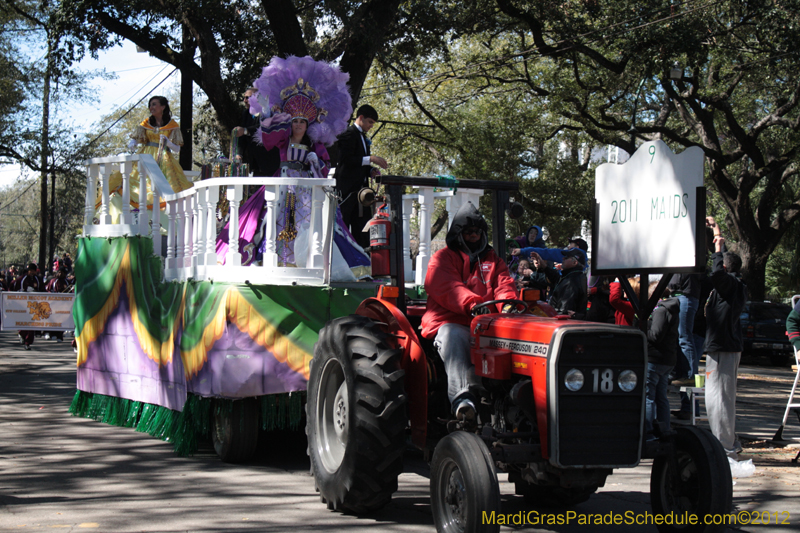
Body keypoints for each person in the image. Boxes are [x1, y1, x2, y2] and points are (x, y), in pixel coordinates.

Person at [216, 55, 370, 281]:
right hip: (284, 182)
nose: (298, 125)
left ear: (308, 125)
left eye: (302, 122)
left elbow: (325, 166)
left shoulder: (315, 145)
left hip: (306, 188)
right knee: (271, 220)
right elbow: (267, 137)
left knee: (313, 221)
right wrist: (267, 113)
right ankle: (277, 259)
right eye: (295, 121)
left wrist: (314, 161)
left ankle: (313, 261)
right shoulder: (282, 140)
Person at [421, 201, 517, 421]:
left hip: (487, 325)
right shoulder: (442, 258)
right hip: (452, 322)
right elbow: (447, 287)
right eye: (468, 231)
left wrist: (508, 303)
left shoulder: (493, 260)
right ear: (458, 233)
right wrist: (473, 305)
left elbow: (504, 284)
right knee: (453, 335)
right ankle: (462, 398)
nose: (474, 235)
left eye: (477, 231)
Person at [99, 96, 194, 221]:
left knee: (170, 185)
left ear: (163, 107)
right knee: (133, 182)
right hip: (145, 156)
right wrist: (133, 143)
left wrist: (168, 143)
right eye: (150, 105)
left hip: (164, 158)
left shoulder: (172, 125)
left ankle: (165, 219)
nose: (151, 107)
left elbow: (177, 149)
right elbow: (135, 139)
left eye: (154, 104)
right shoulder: (146, 123)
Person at [703, 216, 747, 459]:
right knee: (718, 397)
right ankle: (725, 443)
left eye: (719, 262)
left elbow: (717, 274)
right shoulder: (731, 284)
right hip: (723, 346)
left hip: (724, 347)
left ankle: (724, 447)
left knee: (719, 398)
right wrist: (716, 234)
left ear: (726, 268)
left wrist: (718, 247)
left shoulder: (729, 283)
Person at [334, 104, 389, 248]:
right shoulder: (348, 134)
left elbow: (360, 162)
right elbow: (346, 161)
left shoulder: (363, 138)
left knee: (363, 228)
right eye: (370, 122)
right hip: (347, 191)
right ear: (361, 118)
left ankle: (364, 261)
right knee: (344, 226)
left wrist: (370, 170)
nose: (371, 126)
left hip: (362, 194)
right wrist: (370, 159)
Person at [645, 283, 680, 439]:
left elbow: (656, 335)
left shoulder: (660, 310)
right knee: (661, 397)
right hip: (667, 359)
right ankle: (664, 430)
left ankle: (649, 432)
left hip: (655, 359)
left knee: (649, 397)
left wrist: (642, 327)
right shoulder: (672, 309)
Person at [233, 88, 280, 177]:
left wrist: (246, 131)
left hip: (270, 162)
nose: (245, 100)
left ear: (256, 98)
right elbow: (242, 136)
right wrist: (239, 154)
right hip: (254, 164)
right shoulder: (246, 114)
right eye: (244, 98)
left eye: (248, 97)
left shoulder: (267, 111)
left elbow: (263, 128)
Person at [548, 248, 588, 318]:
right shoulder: (572, 276)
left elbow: (564, 311)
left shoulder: (572, 280)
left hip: (564, 323)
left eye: (566, 257)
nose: (563, 258)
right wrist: (544, 267)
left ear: (574, 262)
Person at [18, 263, 41, 350]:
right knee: (24, 322)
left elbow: (42, 289)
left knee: (32, 325)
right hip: (23, 305)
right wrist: (24, 291)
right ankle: (22, 334)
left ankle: (28, 343)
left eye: (33, 271)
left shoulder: (37, 279)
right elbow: (14, 287)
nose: (32, 272)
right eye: (30, 270)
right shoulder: (22, 279)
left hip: (34, 305)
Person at [44, 267, 69, 342]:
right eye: (59, 272)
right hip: (53, 303)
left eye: (62, 272)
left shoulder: (67, 282)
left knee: (61, 319)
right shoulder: (53, 281)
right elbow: (47, 290)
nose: (60, 274)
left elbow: (70, 291)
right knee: (51, 318)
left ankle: (59, 336)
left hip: (63, 304)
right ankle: (50, 333)